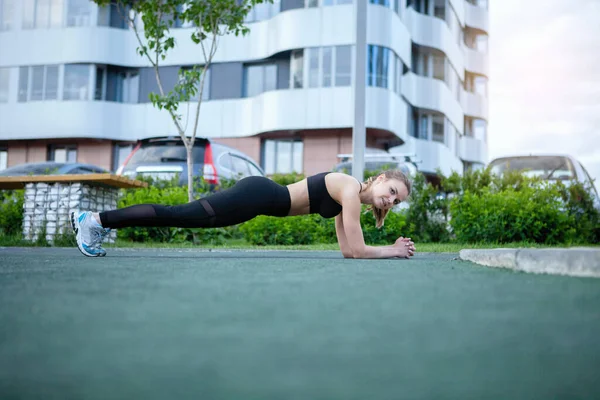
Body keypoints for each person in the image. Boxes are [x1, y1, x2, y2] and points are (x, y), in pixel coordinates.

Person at [71, 170, 416, 259]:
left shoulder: (348, 198)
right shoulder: (350, 191)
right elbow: (358, 251)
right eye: (391, 193)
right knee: (177, 213)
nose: (390, 201)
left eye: (396, 201)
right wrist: (394, 250)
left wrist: (387, 249)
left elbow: (347, 251)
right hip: (257, 195)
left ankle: (97, 222)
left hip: (255, 203)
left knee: (177, 216)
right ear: (381, 179)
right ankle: (95, 221)